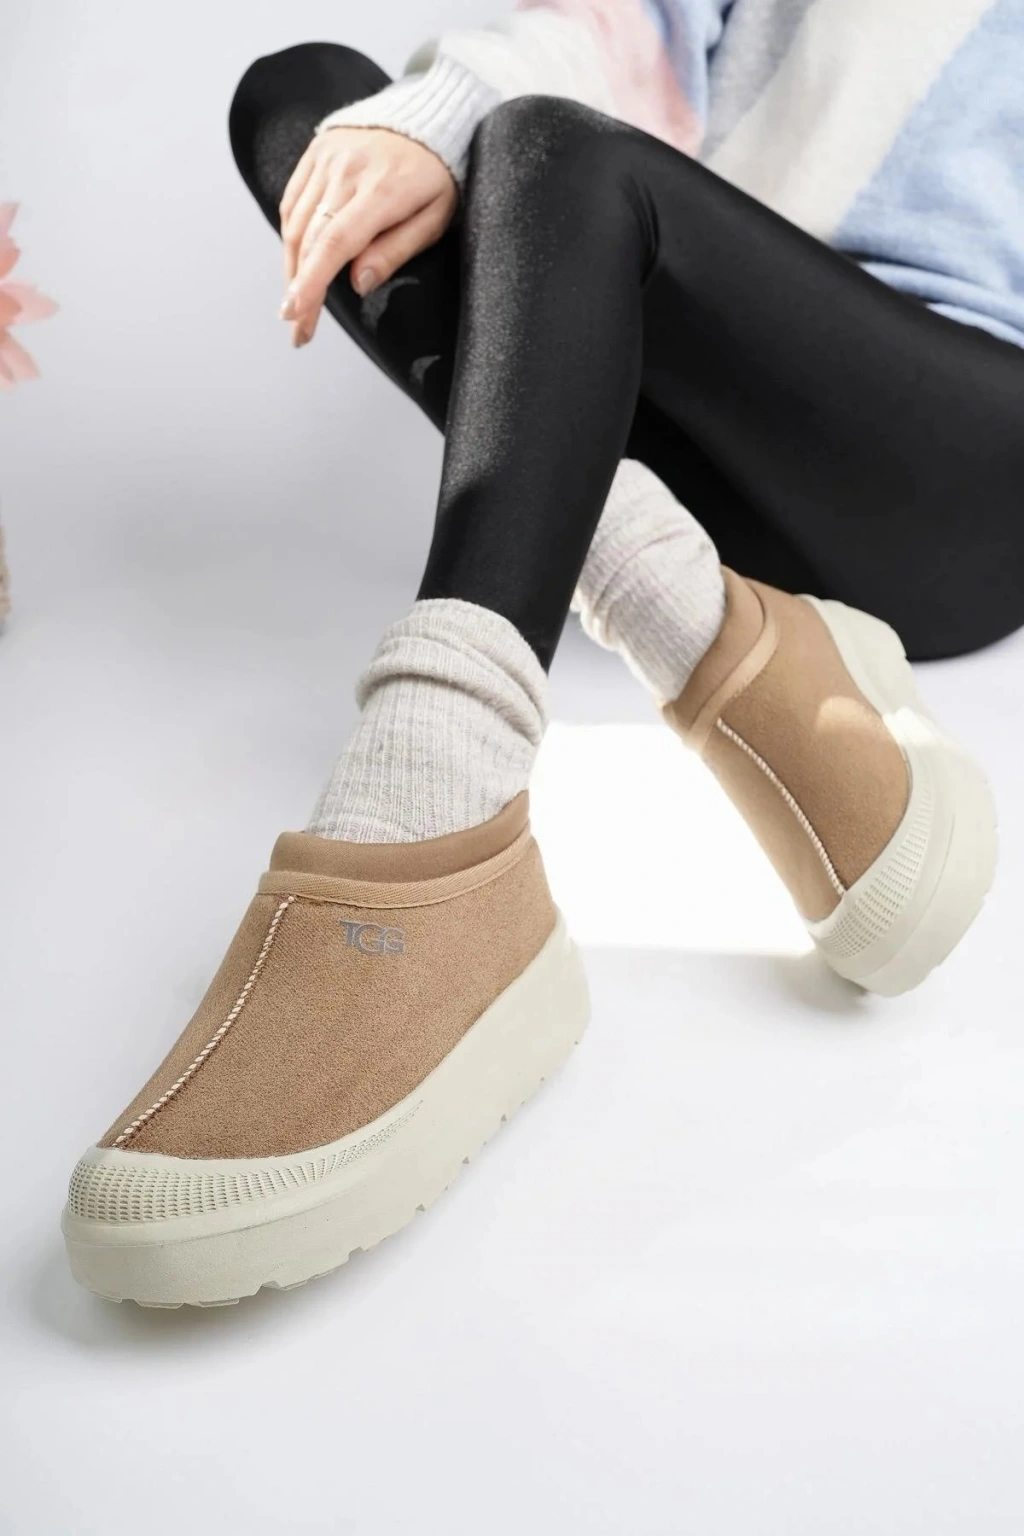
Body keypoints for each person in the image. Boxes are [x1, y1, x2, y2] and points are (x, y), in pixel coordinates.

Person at [63, 0, 1014, 1307]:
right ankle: (698, 612)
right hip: (694, 409)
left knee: (552, 150)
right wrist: (424, 128)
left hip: (961, 467)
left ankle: (440, 798)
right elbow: (626, 28)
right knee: (308, 103)